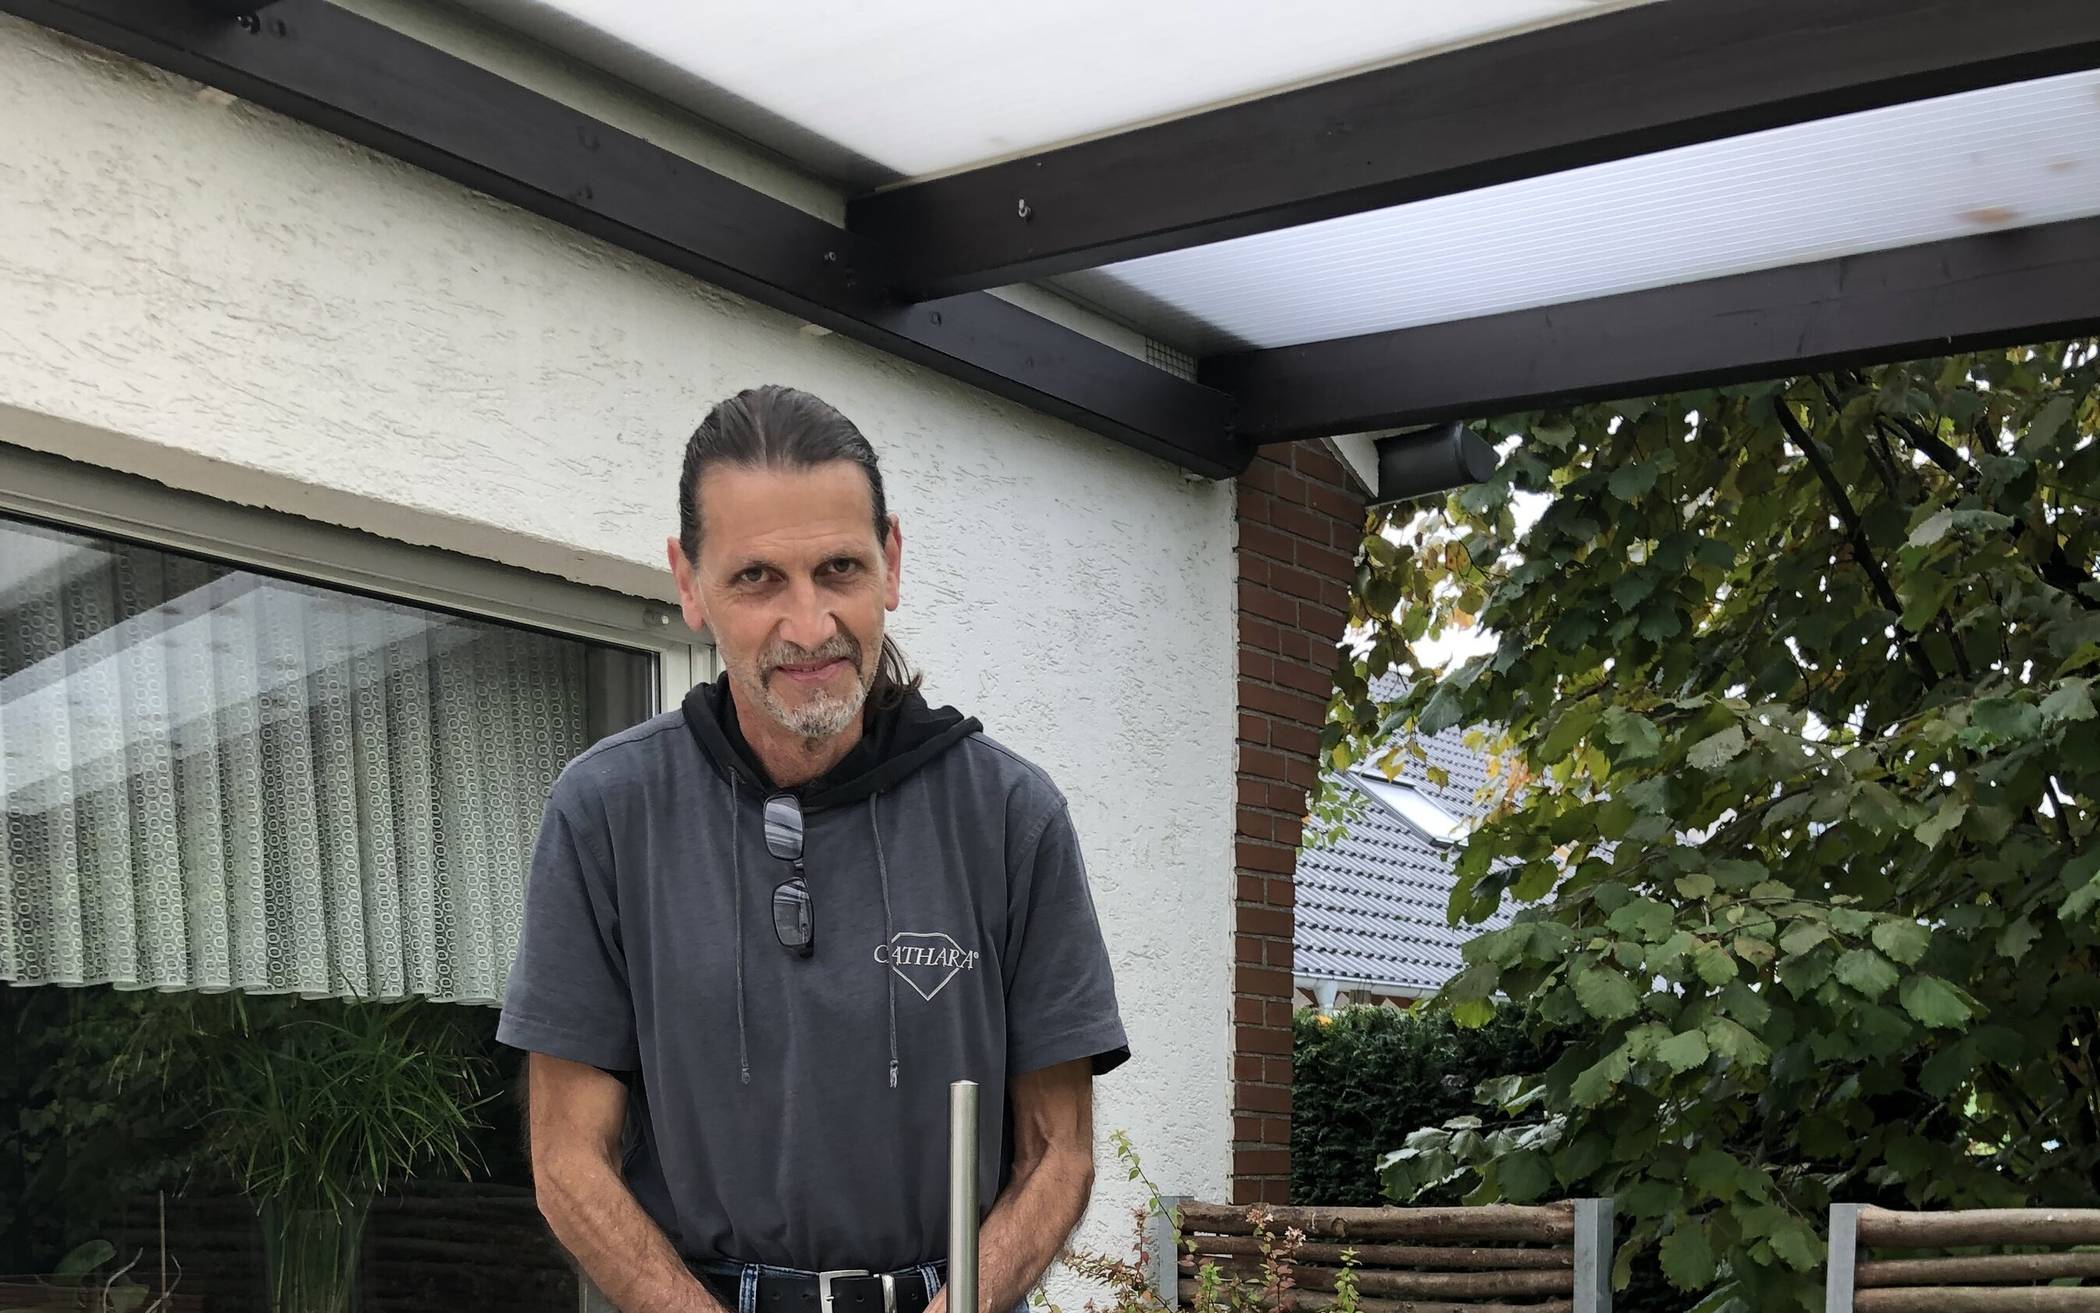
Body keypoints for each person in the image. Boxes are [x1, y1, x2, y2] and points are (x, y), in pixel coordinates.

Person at [497, 385, 1130, 1313]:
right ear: (688, 582)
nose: (808, 625)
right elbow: (566, 1159)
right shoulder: (607, 812)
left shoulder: (1009, 816)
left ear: (893, 562)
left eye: (839, 568)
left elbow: (1057, 1150)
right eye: (757, 578)